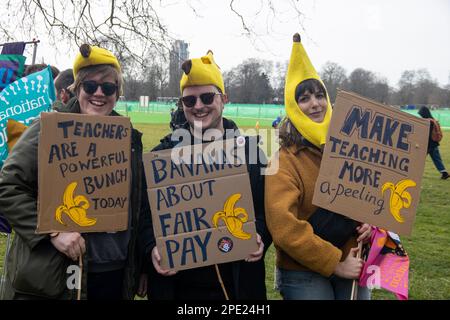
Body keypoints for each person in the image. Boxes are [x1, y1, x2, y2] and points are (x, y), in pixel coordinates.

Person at [0, 44, 150, 300]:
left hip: (113, 275)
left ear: (118, 92)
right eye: (90, 86)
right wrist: (53, 233)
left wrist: (141, 265)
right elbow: (7, 186)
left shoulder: (129, 138)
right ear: (77, 88)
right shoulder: (47, 128)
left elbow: (138, 207)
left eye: (108, 87)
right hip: (57, 273)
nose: (99, 94)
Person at [139, 50, 272, 300]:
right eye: (189, 101)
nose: (198, 106)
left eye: (207, 97)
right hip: (177, 287)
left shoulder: (252, 152)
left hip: (237, 284)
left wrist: (261, 235)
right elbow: (145, 216)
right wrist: (151, 248)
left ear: (223, 99)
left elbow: (268, 210)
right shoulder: (162, 155)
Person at [264, 33, 372, 300]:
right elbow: (284, 228)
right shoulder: (283, 160)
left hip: (353, 259)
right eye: (304, 98)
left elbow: (368, 196)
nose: (314, 104)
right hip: (302, 270)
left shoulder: (349, 148)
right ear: (293, 106)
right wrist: (335, 262)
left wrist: (371, 222)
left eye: (318, 94)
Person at [418, 106, 449, 180]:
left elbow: (427, 135)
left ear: (424, 113)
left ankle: (415, 172)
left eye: (421, 114)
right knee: (437, 159)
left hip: (429, 144)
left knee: (419, 159)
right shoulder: (433, 120)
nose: (420, 115)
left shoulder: (428, 122)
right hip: (434, 144)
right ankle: (444, 173)